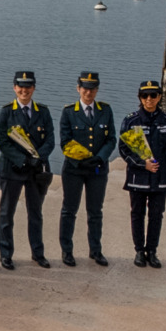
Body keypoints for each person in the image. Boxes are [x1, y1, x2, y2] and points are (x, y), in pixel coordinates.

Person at [0, 71, 55, 269]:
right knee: (6, 214)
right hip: (12, 169)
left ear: (34, 88)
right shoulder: (6, 112)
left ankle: (38, 253)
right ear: (14, 88)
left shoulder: (43, 112)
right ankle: (6, 254)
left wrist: (37, 159)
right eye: (20, 86)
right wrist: (22, 160)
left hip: (35, 171)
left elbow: (50, 140)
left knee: (35, 213)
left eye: (28, 86)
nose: (24, 90)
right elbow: (3, 141)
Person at [118, 81, 166, 269]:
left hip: (161, 178)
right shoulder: (131, 121)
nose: (149, 99)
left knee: (156, 215)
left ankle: (152, 250)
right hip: (139, 177)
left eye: (153, 95)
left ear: (160, 97)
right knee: (137, 214)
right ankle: (138, 250)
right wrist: (141, 164)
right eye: (145, 96)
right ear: (140, 98)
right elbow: (123, 150)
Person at [57, 72, 115, 267]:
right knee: (69, 210)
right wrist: (82, 159)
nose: (88, 92)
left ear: (97, 90)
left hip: (97, 169)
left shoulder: (105, 110)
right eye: (84, 88)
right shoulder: (69, 112)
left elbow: (111, 139)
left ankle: (96, 250)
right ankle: (67, 250)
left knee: (95, 211)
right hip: (74, 168)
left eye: (92, 88)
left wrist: (99, 158)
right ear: (78, 88)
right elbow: (65, 141)